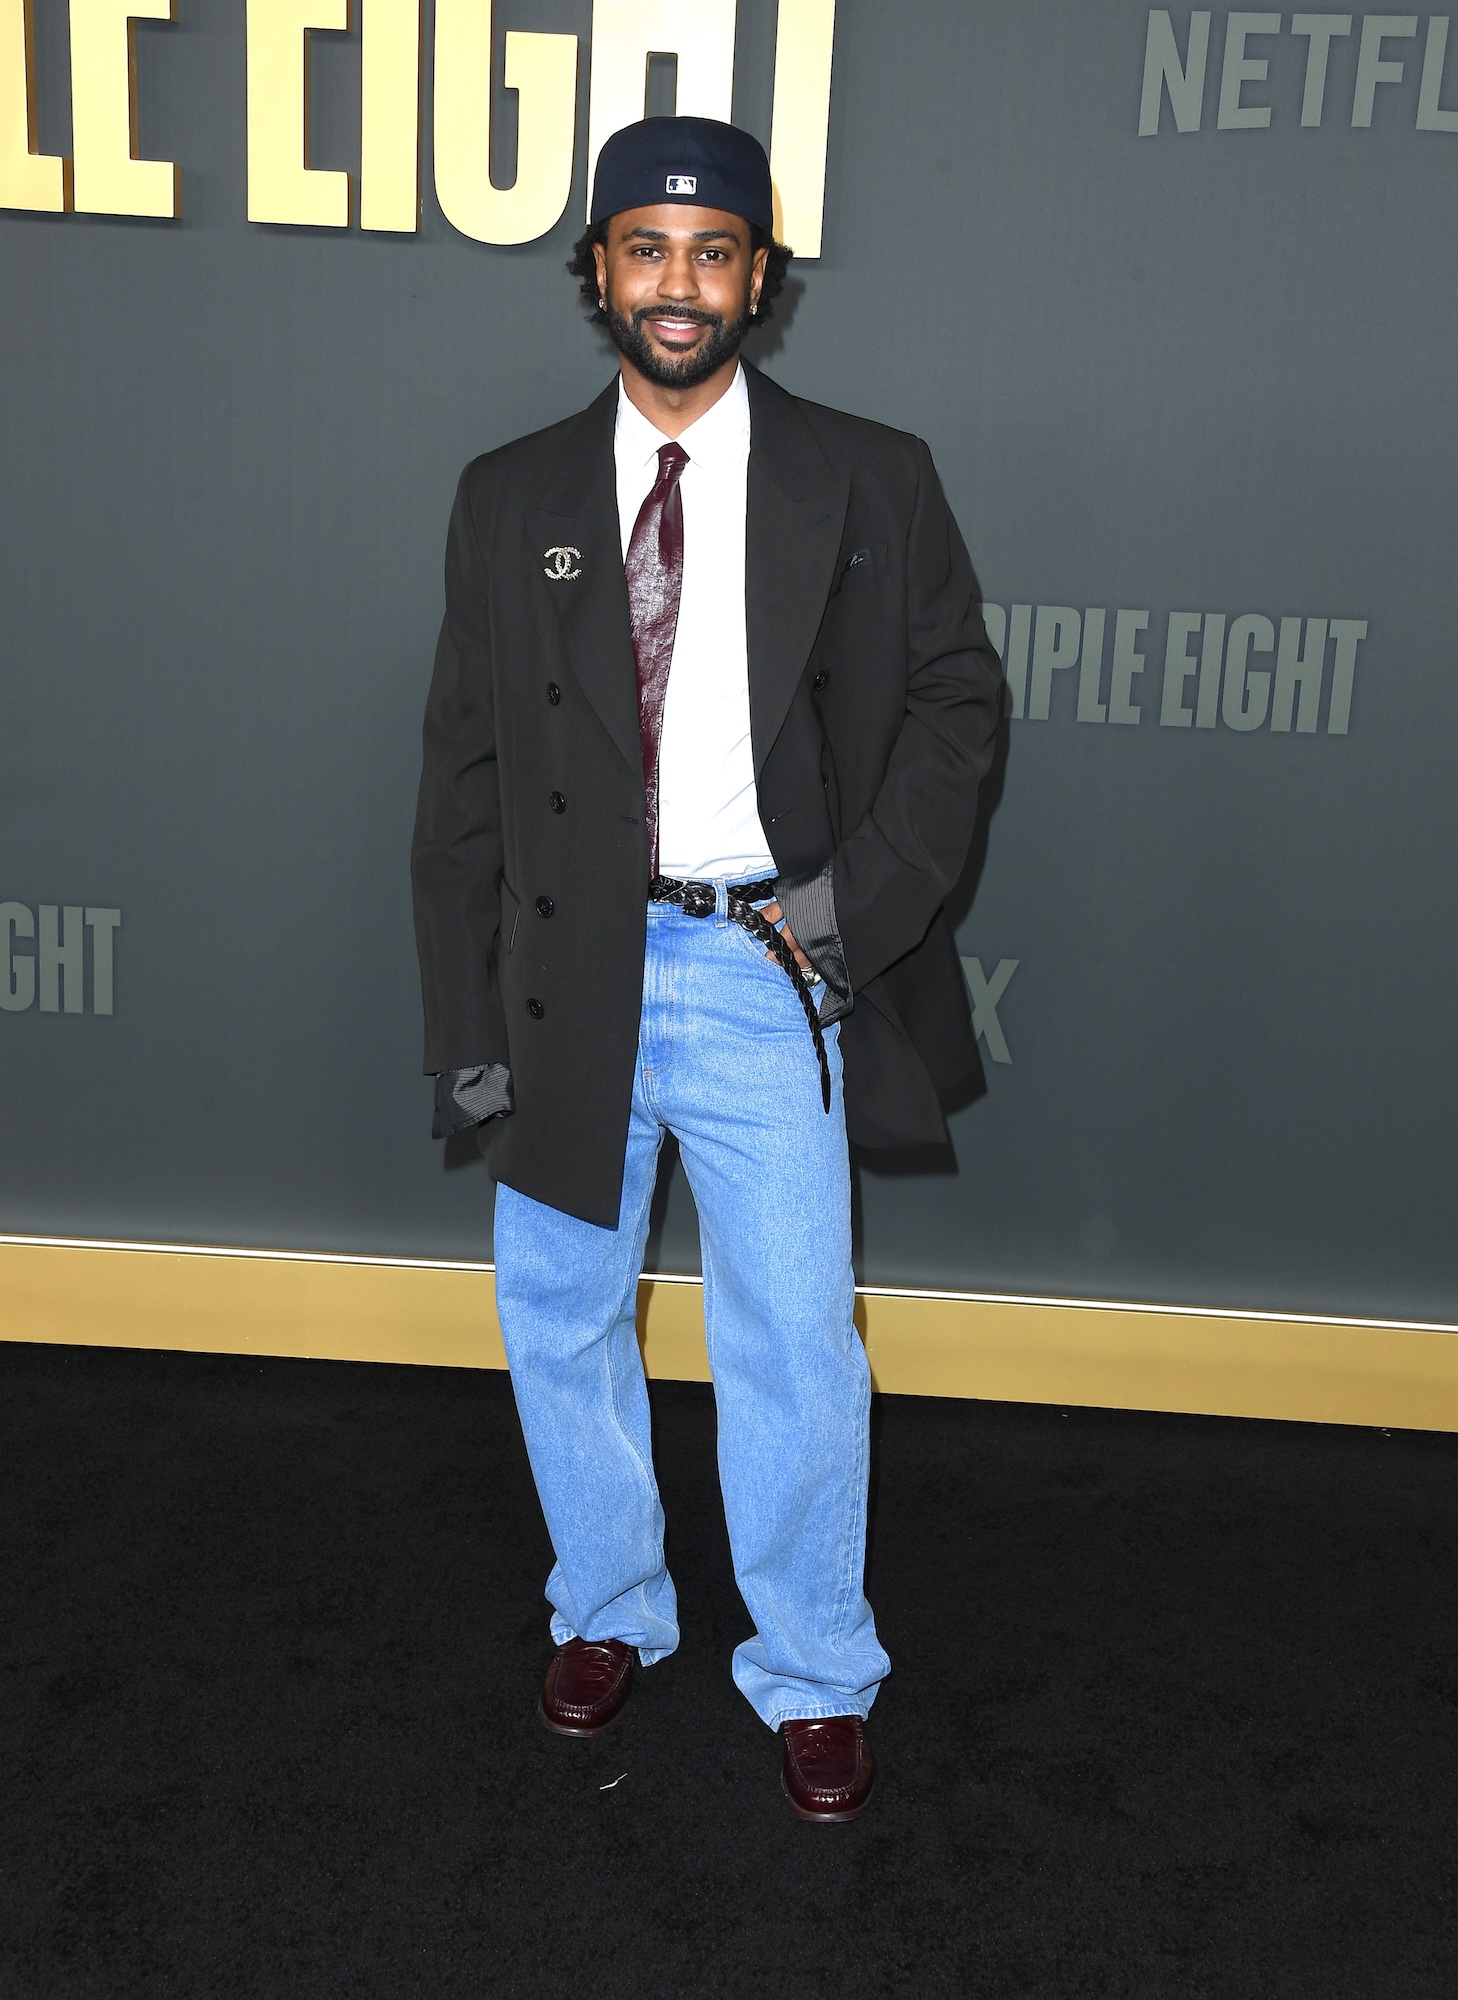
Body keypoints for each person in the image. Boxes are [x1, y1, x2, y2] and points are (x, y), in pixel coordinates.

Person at [411, 115, 1003, 1823]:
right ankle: (605, 1605)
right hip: (565, 971)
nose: (678, 283)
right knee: (560, 1316)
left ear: (760, 278)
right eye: (646, 249)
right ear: (598, 269)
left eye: (713, 251)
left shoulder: (871, 475)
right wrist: (465, 1020)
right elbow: (461, 777)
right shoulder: (509, 494)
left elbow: (958, 707)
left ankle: (812, 1667)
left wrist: (843, 914)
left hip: (764, 962)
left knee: (795, 1340)